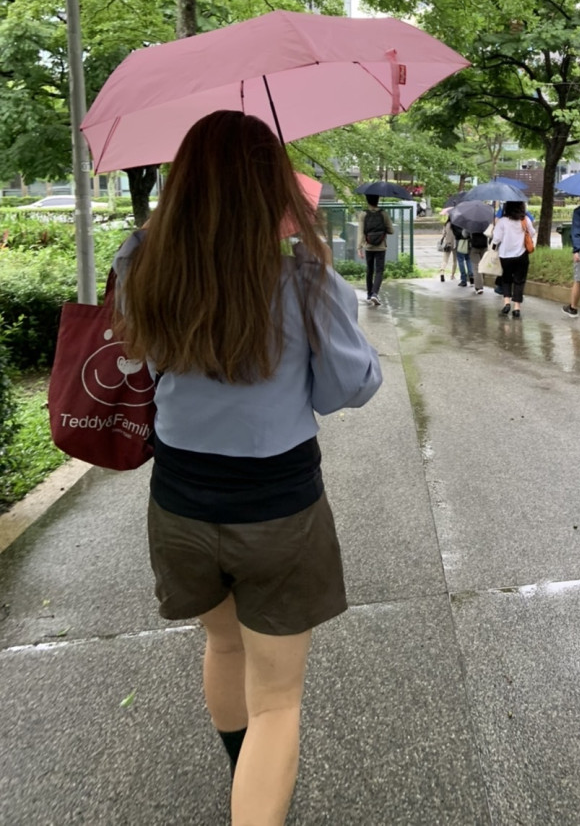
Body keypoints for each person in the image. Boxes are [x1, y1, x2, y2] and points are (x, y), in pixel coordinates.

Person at [113, 111, 382, 826]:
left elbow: (135, 357)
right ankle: (256, 795)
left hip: (178, 507)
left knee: (223, 642)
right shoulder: (305, 282)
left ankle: (246, 777)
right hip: (279, 513)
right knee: (278, 701)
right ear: (272, 186)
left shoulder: (140, 262)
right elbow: (347, 388)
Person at [491, 200, 535, 318]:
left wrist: (493, 245)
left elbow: (496, 239)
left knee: (506, 279)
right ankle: (517, 308)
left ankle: (506, 303)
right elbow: (532, 233)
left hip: (505, 255)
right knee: (519, 281)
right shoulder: (525, 219)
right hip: (521, 255)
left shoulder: (502, 221)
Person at [357, 193, 394, 306]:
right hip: (381, 246)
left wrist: (359, 247)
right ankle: (374, 294)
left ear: (367, 201)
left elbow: (361, 232)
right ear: (378, 200)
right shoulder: (383, 214)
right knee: (379, 271)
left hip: (368, 246)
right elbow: (391, 230)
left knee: (369, 270)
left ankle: (369, 294)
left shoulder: (363, 214)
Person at [468, 225, 489, 294]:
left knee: (476, 267)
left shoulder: (471, 223)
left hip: (474, 247)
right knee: (483, 265)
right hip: (484, 246)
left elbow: (464, 234)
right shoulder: (486, 223)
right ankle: (481, 282)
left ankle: (479, 287)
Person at [452, 220, 473, 287]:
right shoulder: (467, 219)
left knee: (460, 260)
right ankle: (471, 276)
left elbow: (455, 233)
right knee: (468, 259)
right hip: (468, 241)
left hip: (459, 241)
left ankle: (463, 280)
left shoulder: (455, 221)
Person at [438, 216, 457, 281]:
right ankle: (452, 275)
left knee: (445, 260)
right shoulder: (457, 224)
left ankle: (442, 272)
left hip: (447, 244)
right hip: (455, 244)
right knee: (455, 261)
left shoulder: (446, 224)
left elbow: (444, 234)